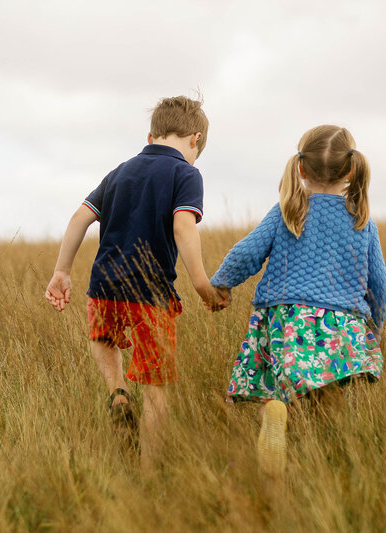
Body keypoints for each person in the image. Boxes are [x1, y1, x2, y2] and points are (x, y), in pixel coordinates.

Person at [45, 95, 228, 468]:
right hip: (152, 295)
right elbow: (183, 226)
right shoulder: (186, 174)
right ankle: (148, 476)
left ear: (151, 135)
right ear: (195, 139)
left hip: (103, 287)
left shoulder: (120, 171)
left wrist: (62, 271)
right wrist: (201, 284)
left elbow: (80, 217)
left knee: (103, 343)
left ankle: (117, 392)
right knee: (156, 392)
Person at [210, 125, 386, 477]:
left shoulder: (287, 210)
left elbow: (247, 253)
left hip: (285, 319)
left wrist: (222, 284)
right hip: (341, 324)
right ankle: (322, 465)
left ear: (301, 169)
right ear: (352, 170)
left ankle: (276, 417)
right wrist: (374, 329)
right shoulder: (362, 221)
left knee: (274, 388)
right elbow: (379, 284)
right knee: (330, 393)